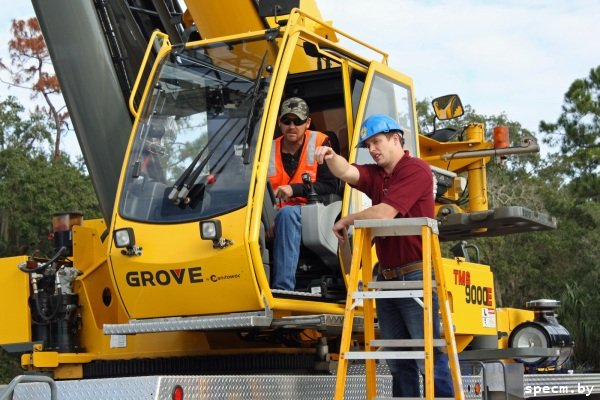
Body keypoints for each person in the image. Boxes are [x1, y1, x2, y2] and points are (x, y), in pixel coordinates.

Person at [314, 114, 454, 397]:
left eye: (377, 142)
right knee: (398, 360)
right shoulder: (378, 175)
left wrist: (346, 219)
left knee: (427, 354)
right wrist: (330, 156)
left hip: (416, 276)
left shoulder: (416, 170)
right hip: (387, 278)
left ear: (395, 139)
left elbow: (384, 212)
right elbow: (348, 172)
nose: (373, 149)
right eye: (368, 145)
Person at [268, 97, 339, 291]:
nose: (292, 126)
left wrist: (295, 189)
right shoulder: (267, 148)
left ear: (307, 123)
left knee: (287, 215)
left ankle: (283, 288)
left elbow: (330, 186)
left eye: (297, 121)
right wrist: (266, 219)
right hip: (276, 213)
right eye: (286, 121)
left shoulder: (321, 142)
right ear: (279, 122)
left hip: (315, 211)